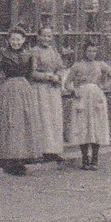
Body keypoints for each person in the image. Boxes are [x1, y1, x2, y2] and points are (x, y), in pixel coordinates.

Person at [0, 27, 43, 176]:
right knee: (11, 122)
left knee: (24, 123)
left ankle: (21, 158)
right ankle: (9, 159)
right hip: (10, 89)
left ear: (23, 40)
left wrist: (27, 89)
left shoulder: (28, 55)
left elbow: (31, 74)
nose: (16, 42)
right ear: (8, 40)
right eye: (13, 39)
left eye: (18, 39)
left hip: (24, 89)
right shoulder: (3, 54)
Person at [64, 41, 111, 171]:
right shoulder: (77, 66)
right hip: (82, 98)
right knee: (83, 126)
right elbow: (67, 83)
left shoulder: (100, 64)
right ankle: (85, 159)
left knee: (96, 127)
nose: (92, 54)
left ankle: (95, 159)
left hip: (96, 97)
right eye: (89, 51)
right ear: (84, 51)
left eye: (94, 51)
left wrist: (104, 86)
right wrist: (74, 91)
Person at [29, 25, 68, 163]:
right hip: (40, 89)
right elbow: (31, 73)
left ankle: (53, 150)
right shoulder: (34, 52)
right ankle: (41, 151)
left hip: (53, 89)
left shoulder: (54, 51)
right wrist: (48, 76)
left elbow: (61, 67)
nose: (46, 39)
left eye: (49, 36)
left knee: (54, 119)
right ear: (38, 37)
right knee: (43, 119)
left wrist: (58, 75)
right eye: (44, 35)